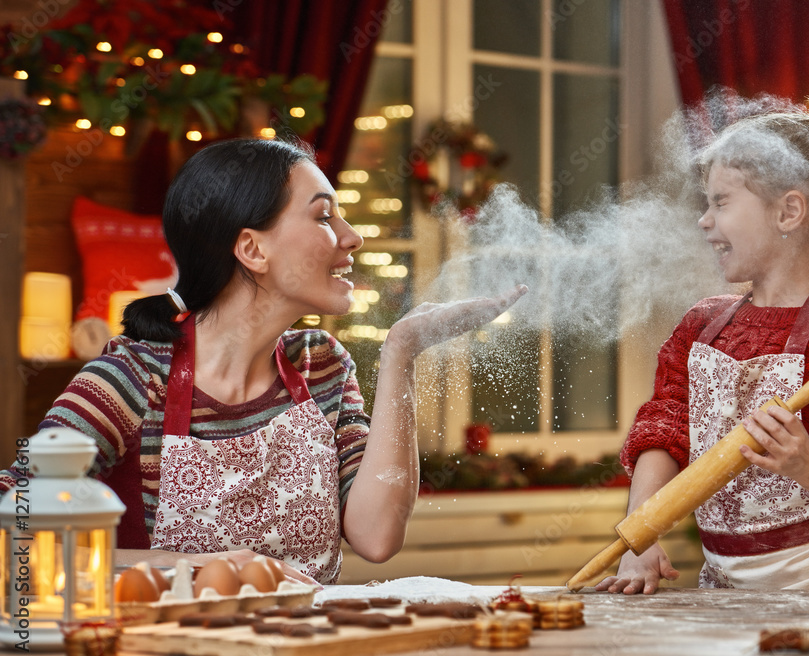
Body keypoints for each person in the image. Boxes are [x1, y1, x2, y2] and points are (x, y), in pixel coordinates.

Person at [0, 138, 526, 586]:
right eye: (323, 216)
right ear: (252, 249)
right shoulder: (132, 379)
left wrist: (402, 353)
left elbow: (377, 535)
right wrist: (200, 567)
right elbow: (14, 533)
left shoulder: (321, 366)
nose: (352, 237)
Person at [596, 100, 809, 592]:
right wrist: (643, 534)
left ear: (788, 211)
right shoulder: (701, 326)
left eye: (721, 202)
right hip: (722, 586)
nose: (704, 220)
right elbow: (665, 431)